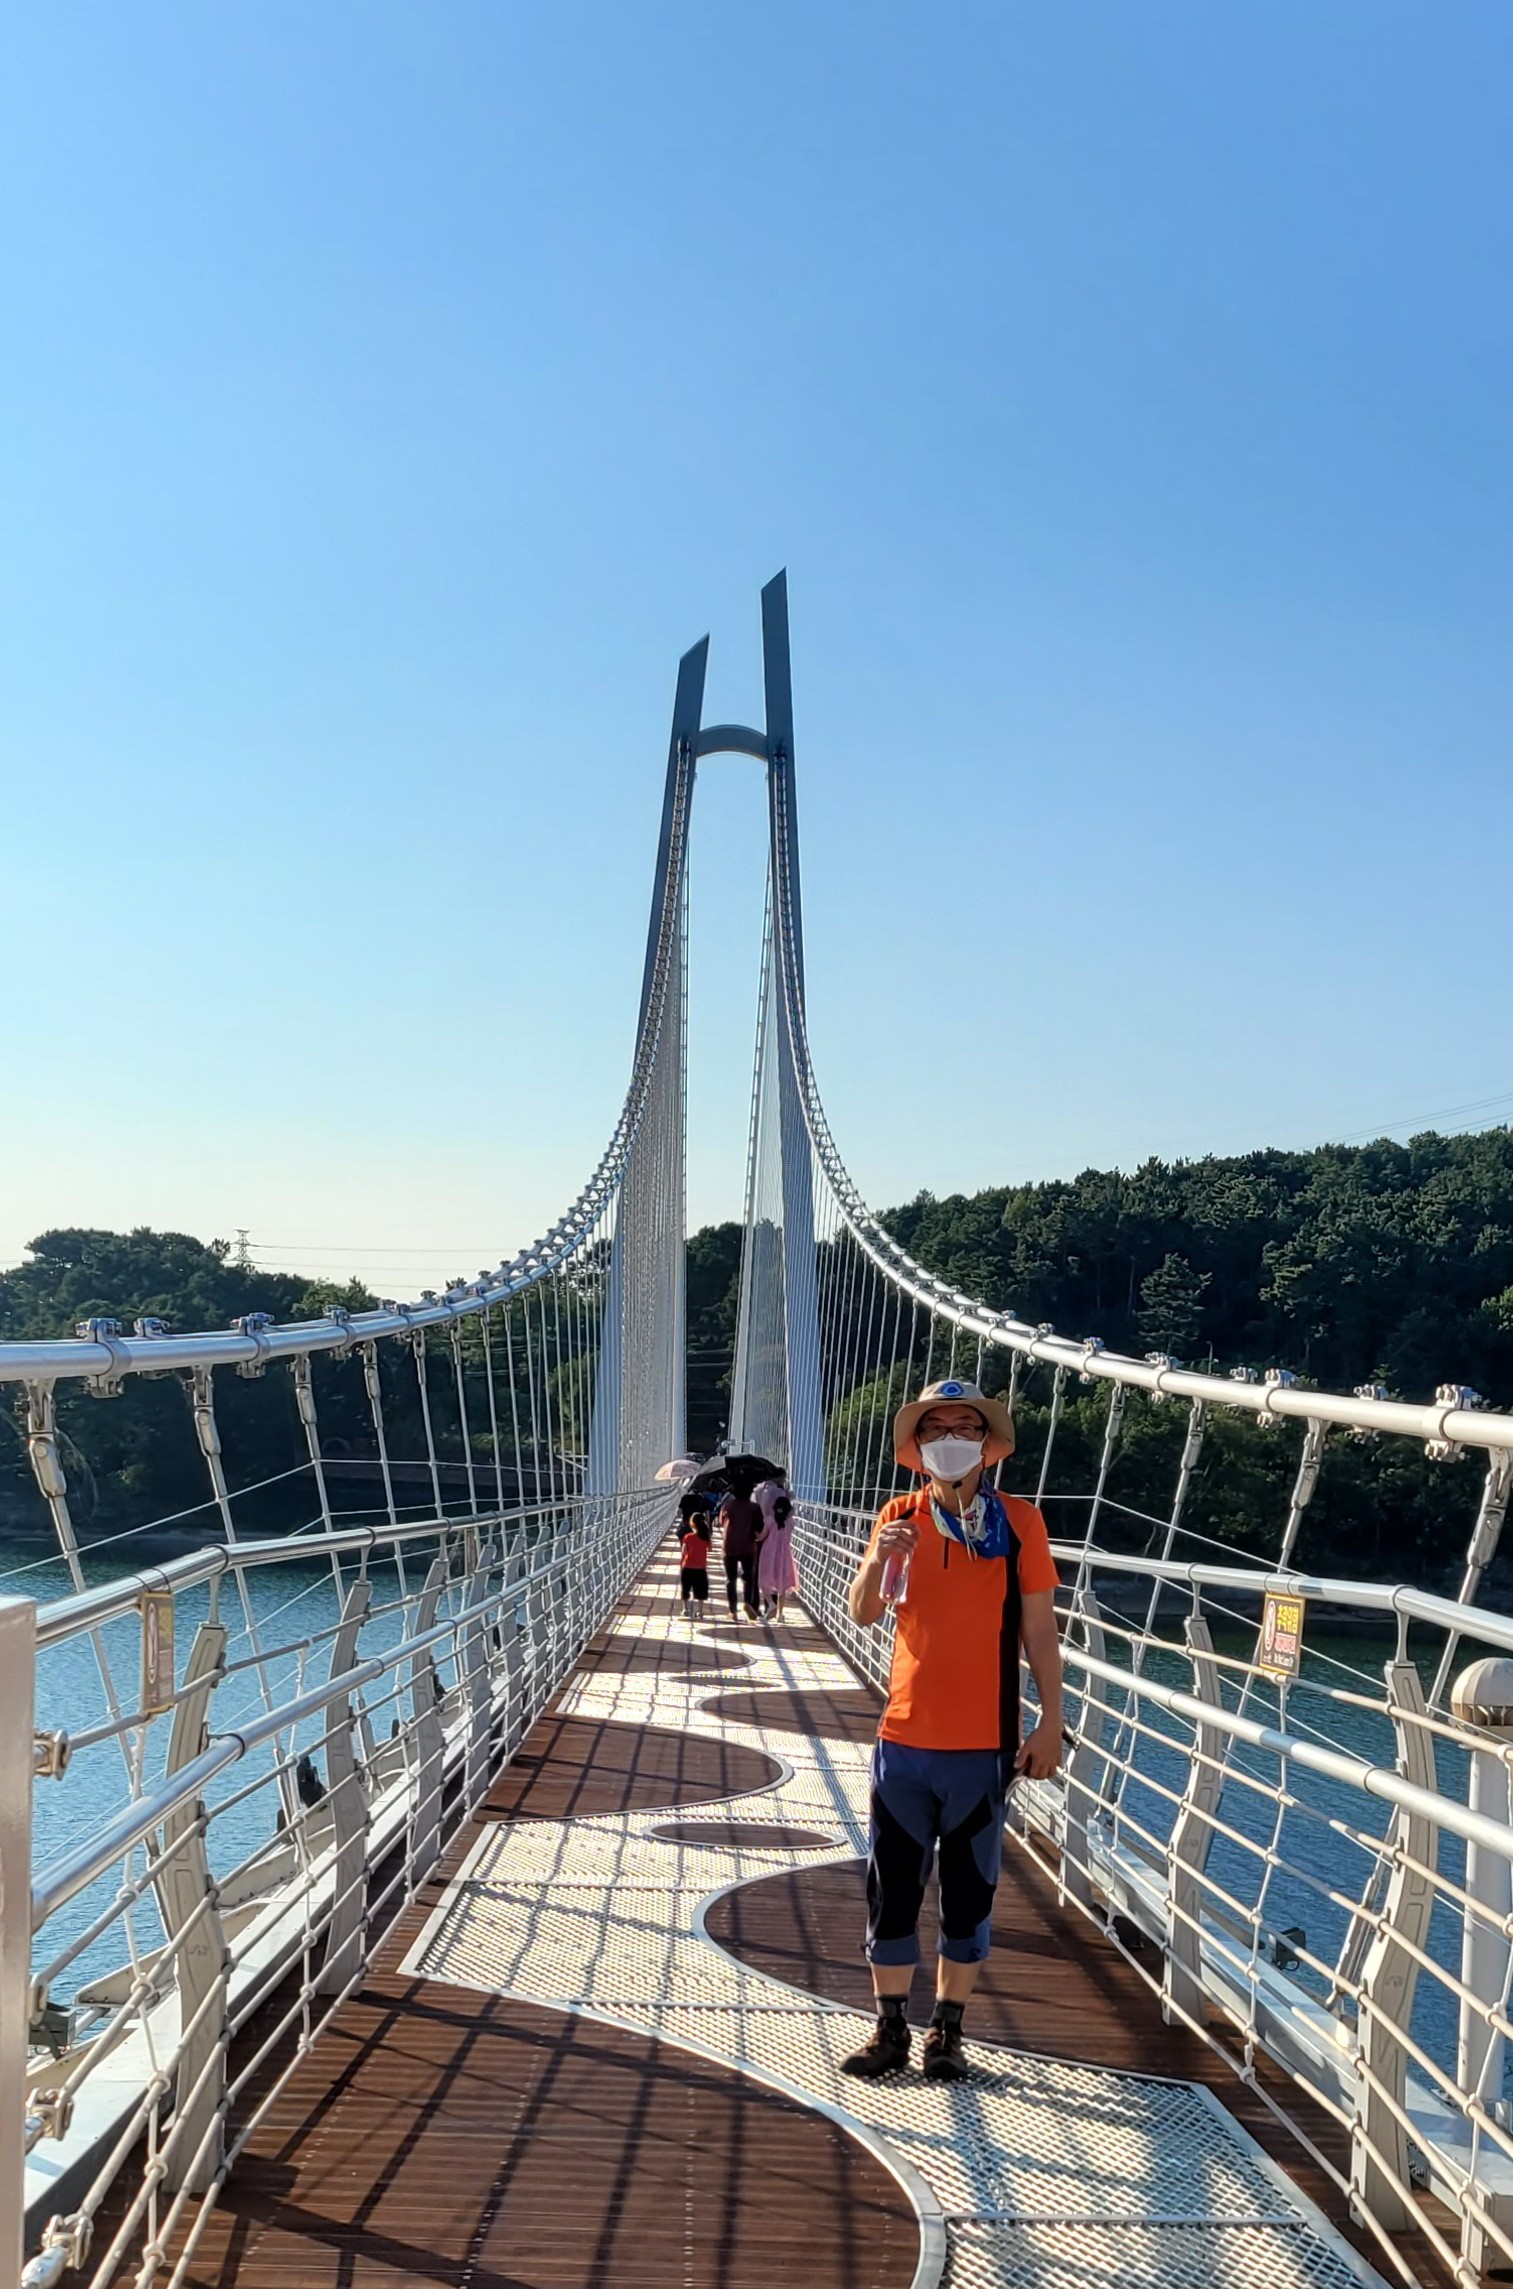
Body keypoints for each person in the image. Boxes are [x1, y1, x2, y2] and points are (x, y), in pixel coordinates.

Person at [839, 1378, 1063, 2084]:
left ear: (987, 1445)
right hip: (904, 1741)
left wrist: (1051, 1721)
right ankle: (889, 2028)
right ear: (917, 1445)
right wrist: (879, 1556)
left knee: (969, 1895)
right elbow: (862, 1612)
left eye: (966, 1427)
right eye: (936, 1429)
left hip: (983, 1746)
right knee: (892, 1890)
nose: (951, 1440)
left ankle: (947, 2030)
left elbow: (1039, 1630)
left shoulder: (1018, 1522)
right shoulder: (897, 1515)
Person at [754, 1473, 798, 1622]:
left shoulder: (769, 1520)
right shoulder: (790, 1523)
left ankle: (770, 1604)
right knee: (782, 1584)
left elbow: (761, 1536)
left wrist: (754, 1534)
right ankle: (780, 1614)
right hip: (784, 1553)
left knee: (763, 1579)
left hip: (768, 1552)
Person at [718, 1487, 763, 1621]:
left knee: (730, 1579)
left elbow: (721, 1522)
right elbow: (759, 1527)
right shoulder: (755, 1508)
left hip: (729, 1546)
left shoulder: (728, 1505)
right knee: (749, 1578)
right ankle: (747, 1602)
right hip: (748, 1546)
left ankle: (733, 1611)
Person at [678, 1511, 711, 1619]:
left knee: (685, 1588)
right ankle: (699, 1611)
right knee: (701, 1590)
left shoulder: (688, 1537)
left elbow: (683, 1552)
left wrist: (681, 1563)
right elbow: (709, 1549)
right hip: (700, 1567)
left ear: (692, 1524)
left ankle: (685, 1609)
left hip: (687, 1566)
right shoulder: (705, 1537)